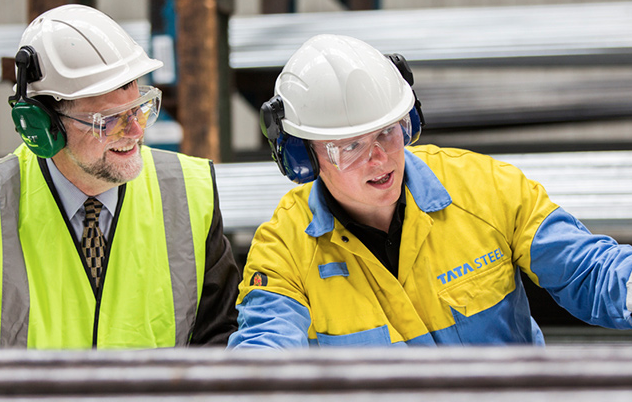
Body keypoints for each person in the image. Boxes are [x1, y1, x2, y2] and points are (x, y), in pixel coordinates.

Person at [227, 34, 632, 348]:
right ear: (304, 156)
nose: (380, 158)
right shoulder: (284, 248)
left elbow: (588, 270)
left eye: (388, 131)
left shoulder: (485, 188)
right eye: (350, 146)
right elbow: (265, 346)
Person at [2, 4, 241, 349]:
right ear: (42, 126)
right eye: (108, 120)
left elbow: (220, 335)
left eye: (139, 108)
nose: (135, 131)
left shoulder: (190, 192)